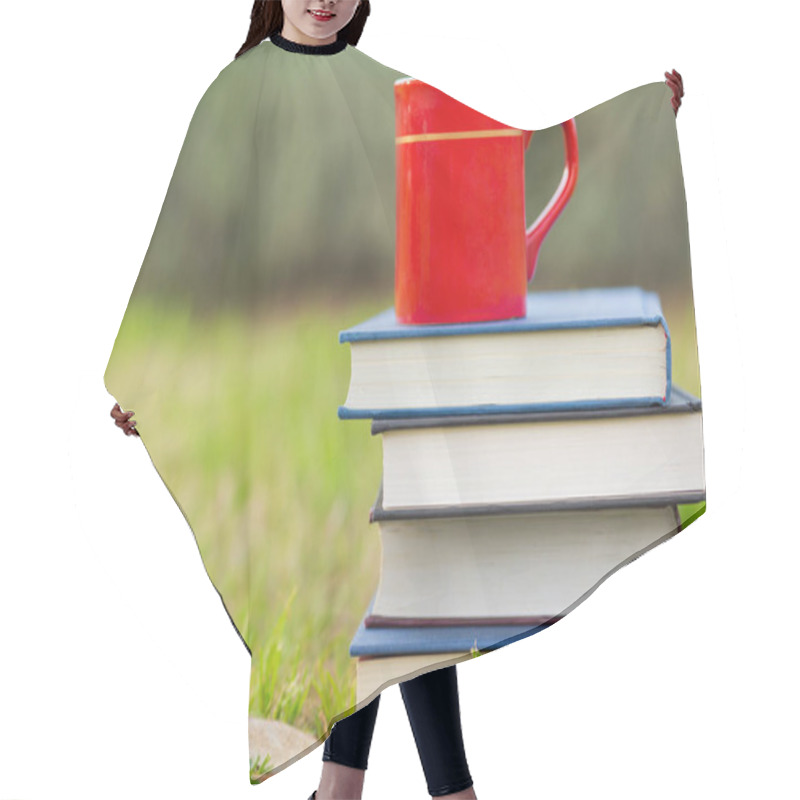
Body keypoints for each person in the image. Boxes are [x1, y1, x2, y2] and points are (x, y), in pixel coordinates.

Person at [109, 3, 685, 798]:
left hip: (387, 366)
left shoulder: (389, 89)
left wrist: (641, 115)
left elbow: (503, 146)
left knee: (405, 573)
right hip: (287, 375)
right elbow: (191, 239)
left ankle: (351, 788)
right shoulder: (235, 90)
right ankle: (426, 790)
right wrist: (146, 375)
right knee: (381, 574)